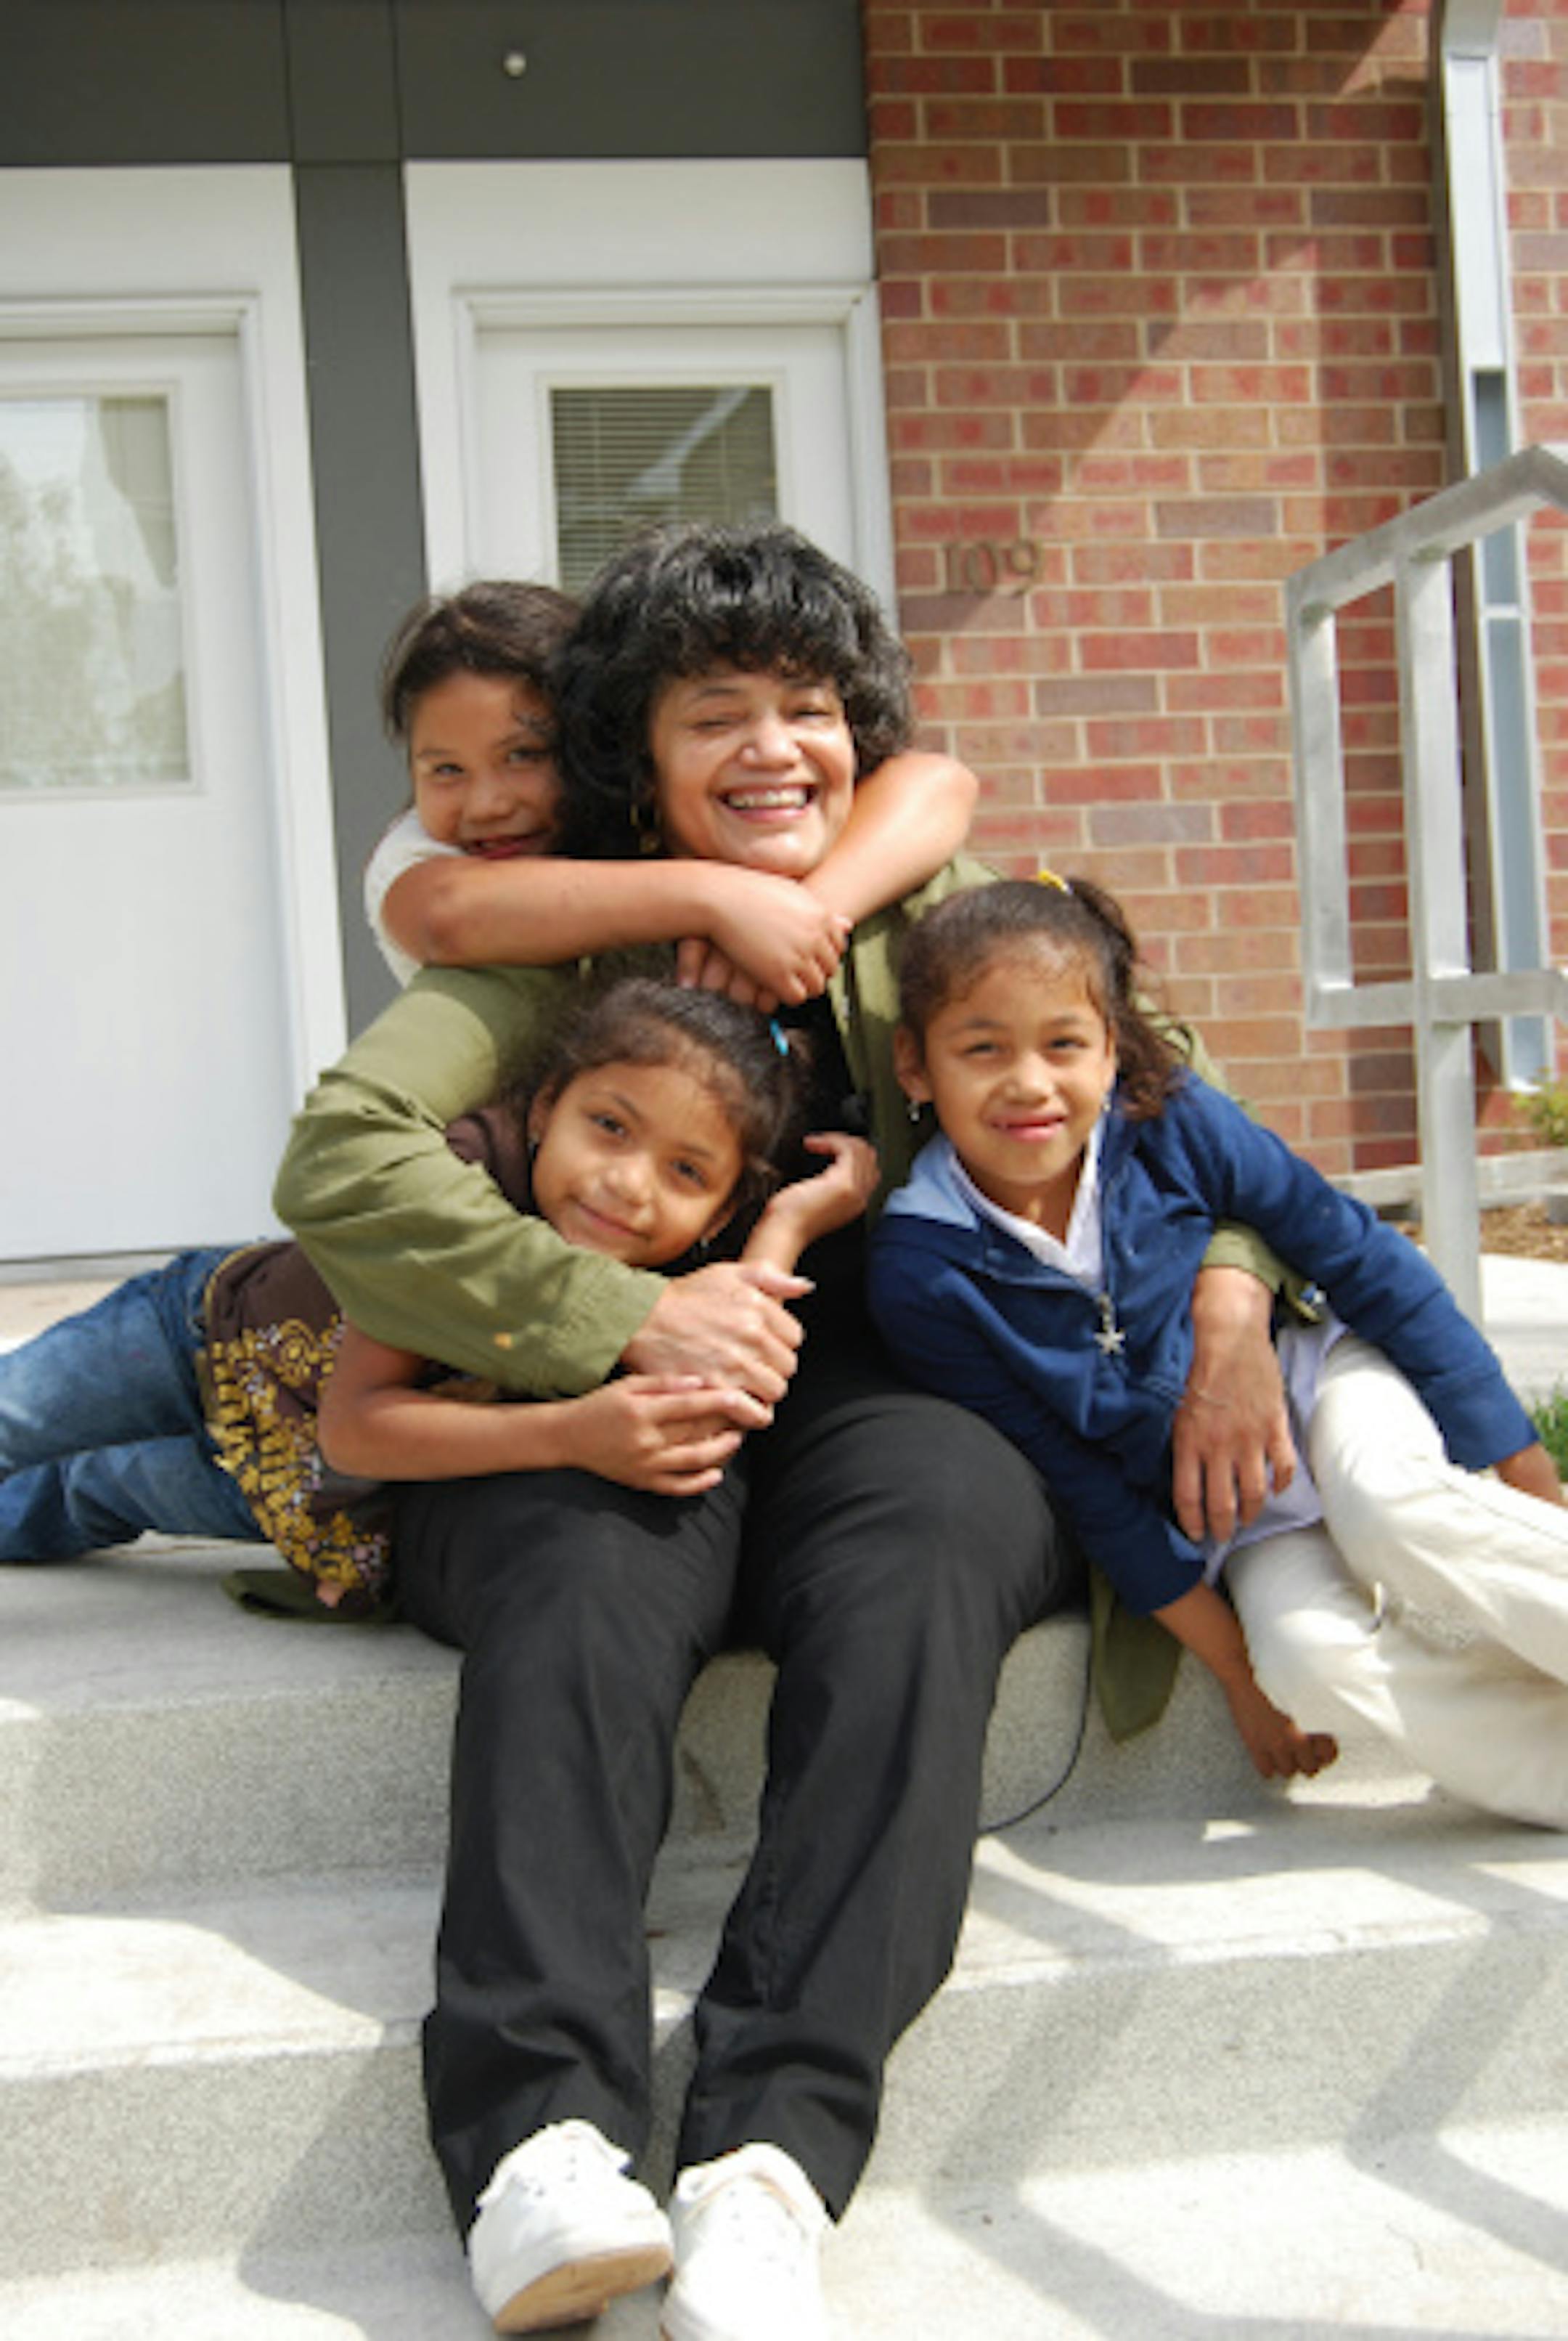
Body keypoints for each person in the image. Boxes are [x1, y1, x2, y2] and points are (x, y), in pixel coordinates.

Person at [274, 519, 1293, 2341]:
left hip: (885, 1383)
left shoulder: (933, 907)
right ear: (640, 763)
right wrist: (622, 1317)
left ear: (858, 731)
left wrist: (1226, 1309)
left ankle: (767, 2158)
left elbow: (1184, 1106)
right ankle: (539, 2143)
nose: (771, 749)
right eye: (714, 714)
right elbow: (341, 1160)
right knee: (585, 1560)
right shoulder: (569, 931)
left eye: (807, 708)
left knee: (934, 1541)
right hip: (585, 1392)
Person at [867, 874, 1568, 1826]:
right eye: (982, 1048)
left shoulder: (1173, 1123)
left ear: (1112, 1047)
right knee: (1305, 1659)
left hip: (1322, 1382)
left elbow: (1359, 1254)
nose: (1028, 1082)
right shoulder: (921, 1272)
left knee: (1386, 1505)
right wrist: (1240, 1675)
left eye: (1063, 1043)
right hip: (1241, 1525)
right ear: (915, 1065)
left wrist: (1527, 1475)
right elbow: (1085, 1488)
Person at [0, 980, 857, 1607]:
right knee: (21, 1415)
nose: (629, 1184)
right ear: (544, 1106)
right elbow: (358, 1422)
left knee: (82, 1492)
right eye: (609, 1126)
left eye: (686, 1171)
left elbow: (725, 1375)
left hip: (287, 1478)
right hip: (204, 1337)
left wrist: (787, 1224)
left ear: (722, 1212)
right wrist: (570, 1434)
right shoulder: (465, 1194)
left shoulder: (667, 1284)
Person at [365, 577, 981, 1003]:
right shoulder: (420, 852)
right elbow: (444, 916)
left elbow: (939, 784)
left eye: (525, 755)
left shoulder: (633, 810)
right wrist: (715, 899)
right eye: (445, 770)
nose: (488, 804)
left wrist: (808, 914)